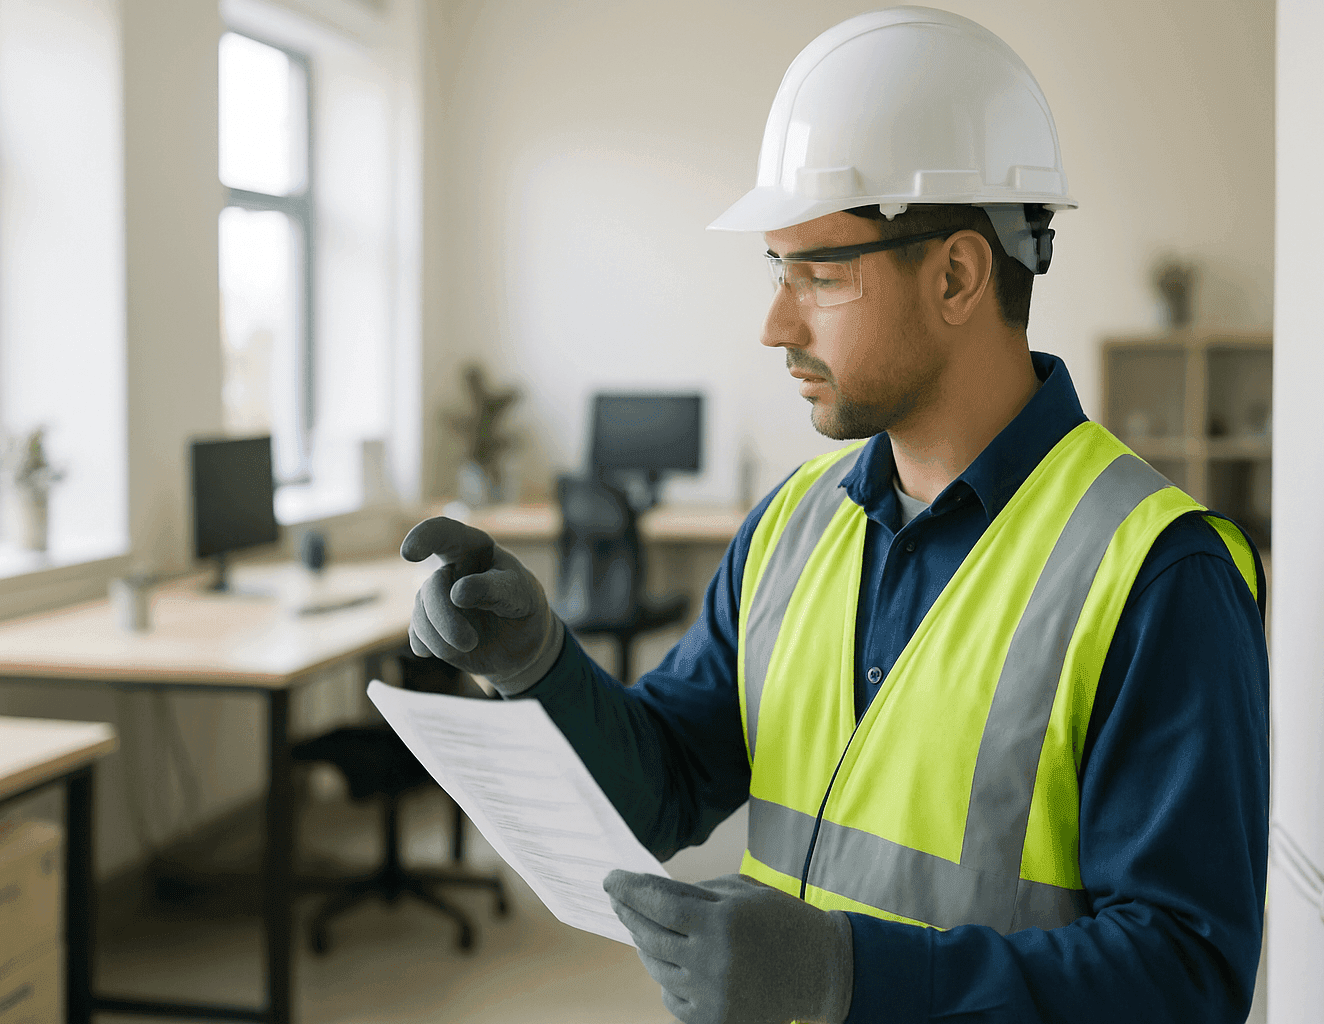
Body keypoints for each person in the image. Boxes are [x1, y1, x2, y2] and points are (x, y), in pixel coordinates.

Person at [402, 7, 1269, 1023]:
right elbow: (665, 787)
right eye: (778, 272)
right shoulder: (792, 525)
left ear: (956, 275)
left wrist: (851, 978)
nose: (776, 323)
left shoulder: (1157, 574)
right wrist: (536, 664)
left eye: (819, 274)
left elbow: (1185, 977)